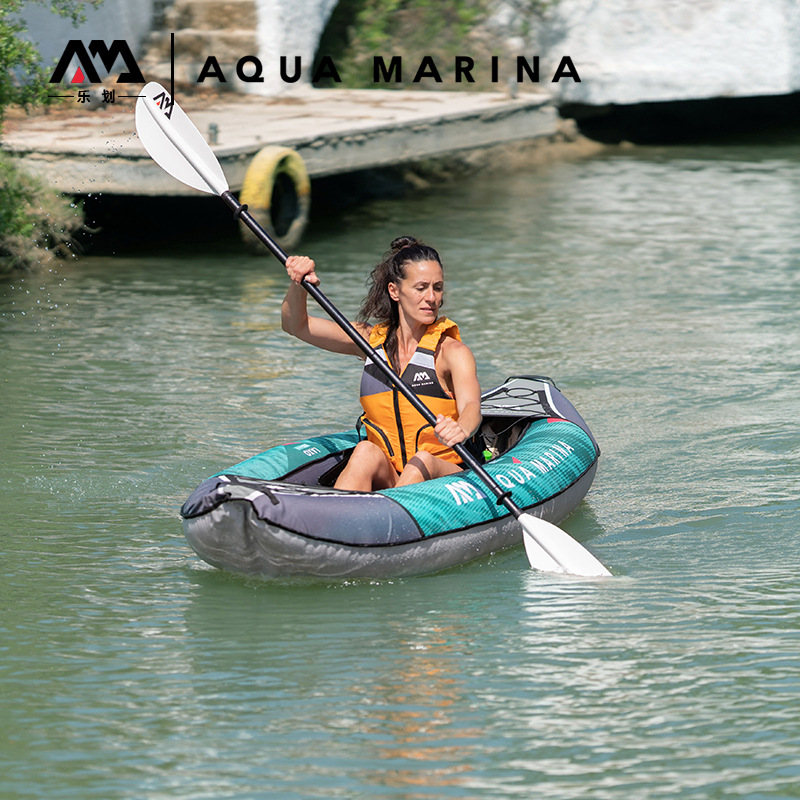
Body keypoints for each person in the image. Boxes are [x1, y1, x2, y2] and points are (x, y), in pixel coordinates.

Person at [281, 236, 482, 492]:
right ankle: (341, 517)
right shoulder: (368, 341)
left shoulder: (451, 351)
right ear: (394, 291)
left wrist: (461, 428)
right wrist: (299, 284)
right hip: (394, 475)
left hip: (443, 475)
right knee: (365, 450)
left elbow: (472, 406)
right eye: (421, 288)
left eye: (438, 287)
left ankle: (385, 516)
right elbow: (295, 325)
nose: (431, 297)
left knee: (421, 461)